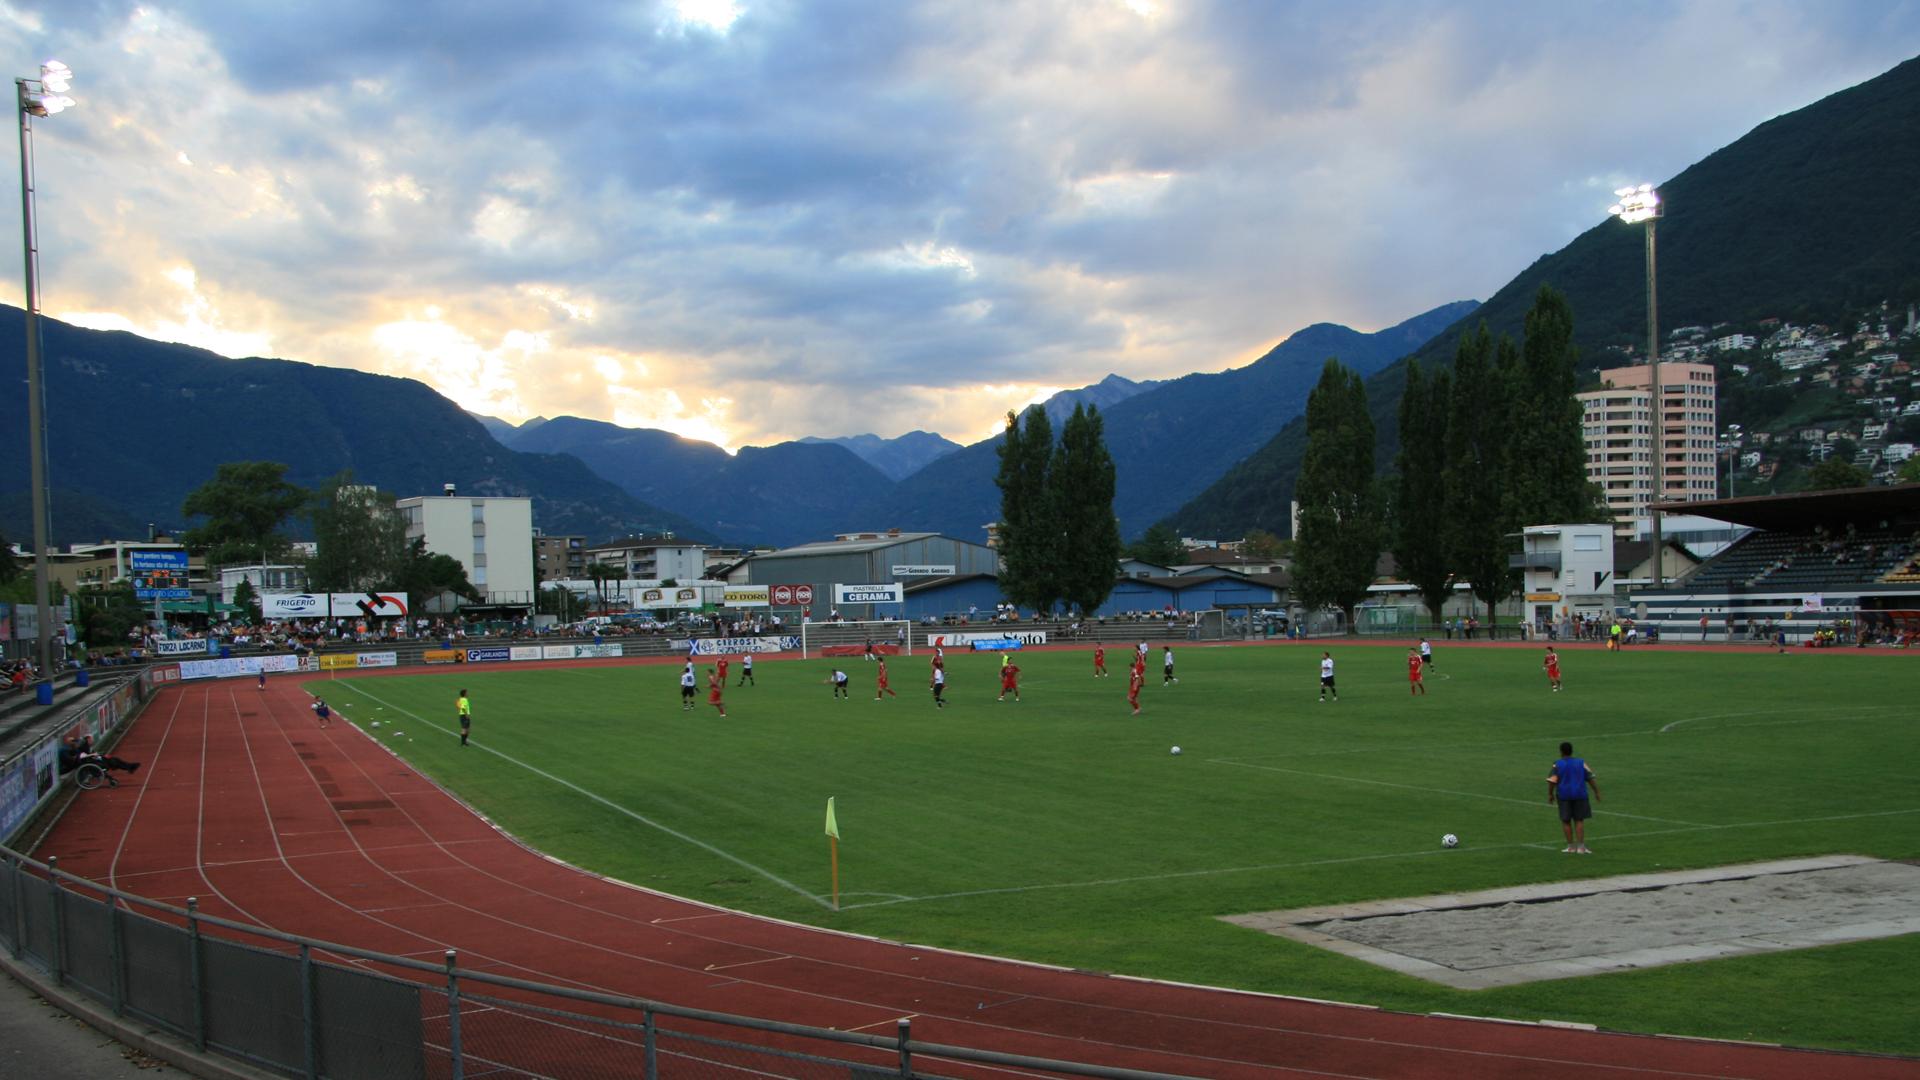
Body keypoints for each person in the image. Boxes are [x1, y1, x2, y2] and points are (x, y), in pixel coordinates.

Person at [1547, 741, 1600, 853]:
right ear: (1571, 751)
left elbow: (1552, 781)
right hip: (1580, 794)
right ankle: (1581, 847)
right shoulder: (1581, 763)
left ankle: (1571, 847)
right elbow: (1590, 778)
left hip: (1564, 795)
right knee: (1579, 820)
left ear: (1561, 752)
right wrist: (1596, 792)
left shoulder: (1557, 764)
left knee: (1566, 821)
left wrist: (1550, 794)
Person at [59, 734, 140, 776]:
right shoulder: (67, 750)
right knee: (114, 761)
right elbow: (75, 759)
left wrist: (94, 755)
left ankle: (130, 766)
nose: (76, 743)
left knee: (115, 760)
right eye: (74, 742)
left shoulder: (75, 749)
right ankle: (129, 767)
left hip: (92, 760)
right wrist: (92, 755)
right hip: (90, 762)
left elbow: (81, 755)